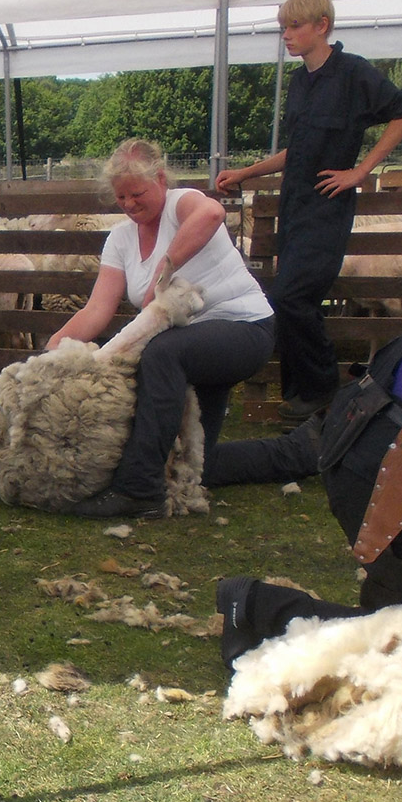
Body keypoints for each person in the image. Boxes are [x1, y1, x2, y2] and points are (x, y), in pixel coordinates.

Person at [46, 138, 276, 519]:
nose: (130, 204)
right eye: (121, 198)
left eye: (137, 193)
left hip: (244, 328)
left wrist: (165, 266)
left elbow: (213, 213)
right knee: (198, 467)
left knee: (161, 353)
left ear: (161, 179)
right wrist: (53, 349)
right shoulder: (120, 239)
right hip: (195, 346)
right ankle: (307, 450)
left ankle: (140, 491)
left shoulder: (181, 204)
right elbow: (97, 309)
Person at [215, 0, 402, 424]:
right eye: (283, 27)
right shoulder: (301, 82)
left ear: (321, 26)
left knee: (292, 296)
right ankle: (302, 399)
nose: (286, 35)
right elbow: (296, 148)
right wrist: (246, 173)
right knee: (286, 300)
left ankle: (323, 391)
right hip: (294, 204)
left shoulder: (355, 73)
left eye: (294, 26)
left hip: (328, 205)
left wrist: (361, 171)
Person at [217, 327, 402, 669]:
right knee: (397, 642)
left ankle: (259, 605)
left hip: (359, 419)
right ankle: (264, 609)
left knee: (285, 453)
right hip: (381, 461)